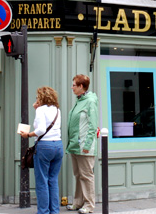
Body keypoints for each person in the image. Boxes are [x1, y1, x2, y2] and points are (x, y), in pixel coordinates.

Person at [20, 86, 63, 214]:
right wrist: (36, 109)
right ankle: (54, 211)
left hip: (44, 146)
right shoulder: (57, 110)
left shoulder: (41, 110)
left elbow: (41, 130)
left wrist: (28, 135)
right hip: (58, 145)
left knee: (42, 181)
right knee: (53, 180)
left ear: (41, 97)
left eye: (37, 96)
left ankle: (43, 212)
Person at [66, 74, 98, 214]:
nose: (72, 87)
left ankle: (89, 205)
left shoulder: (90, 101)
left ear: (81, 86)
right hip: (75, 145)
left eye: (74, 85)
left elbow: (93, 125)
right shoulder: (80, 100)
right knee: (78, 175)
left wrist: (87, 145)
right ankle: (78, 202)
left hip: (84, 146)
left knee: (86, 175)